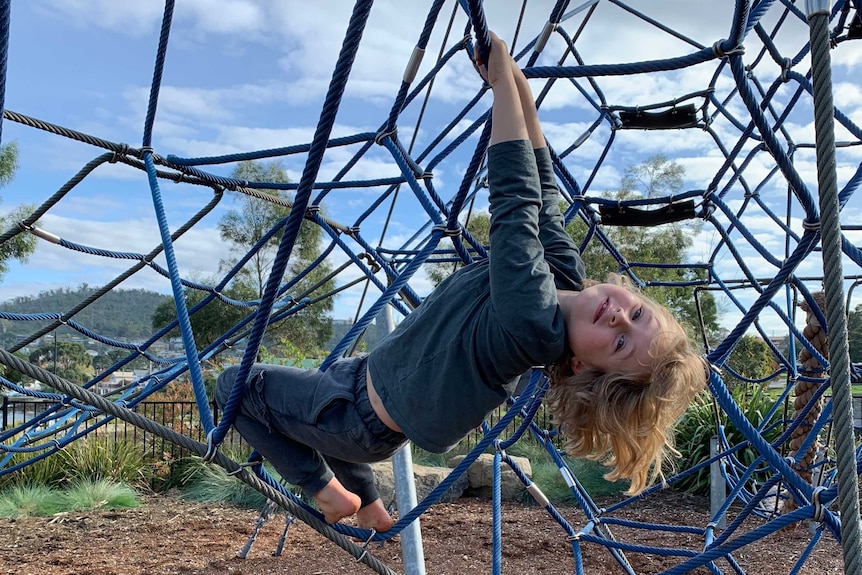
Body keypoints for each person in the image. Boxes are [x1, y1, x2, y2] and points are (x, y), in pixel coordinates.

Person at [216, 33, 706, 533]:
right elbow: (545, 192)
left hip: (355, 413)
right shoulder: (565, 281)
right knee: (320, 410)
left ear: (581, 364)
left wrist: (500, 88)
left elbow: (515, 202)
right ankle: (370, 506)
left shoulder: (531, 320)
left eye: (620, 342)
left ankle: (326, 494)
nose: (620, 317)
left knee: (235, 386)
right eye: (638, 313)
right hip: (366, 395)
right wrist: (519, 86)